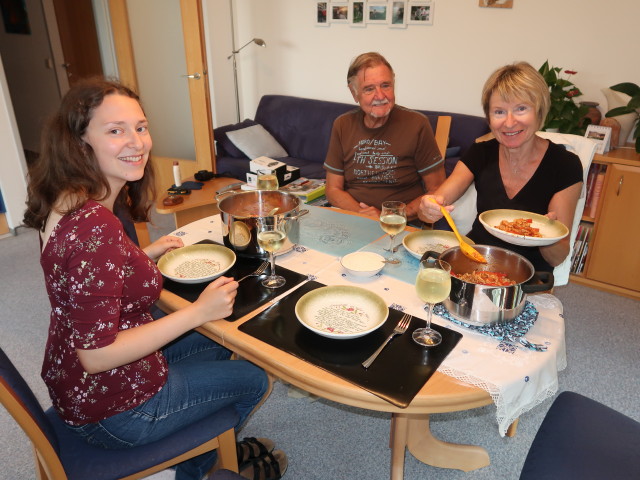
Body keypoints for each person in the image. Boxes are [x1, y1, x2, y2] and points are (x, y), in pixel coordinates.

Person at [23, 78, 287, 480]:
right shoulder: (95, 230)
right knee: (252, 377)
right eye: (115, 130)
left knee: (221, 337)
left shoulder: (69, 199)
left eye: (140, 127)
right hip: (112, 409)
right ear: (81, 142)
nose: (137, 142)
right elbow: (96, 355)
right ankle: (199, 466)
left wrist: (143, 254)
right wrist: (198, 311)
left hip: (76, 387)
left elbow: (82, 279)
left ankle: (212, 442)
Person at [418, 61, 583, 272]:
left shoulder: (564, 164)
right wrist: (428, 208)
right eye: (499, 112)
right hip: (475, 260)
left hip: (526, 275)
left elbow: (557, 258)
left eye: (521, 109)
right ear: (489, 117)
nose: (509, 122)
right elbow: (434, 205)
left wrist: (547, 236)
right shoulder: (481, 152)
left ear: (540, 111)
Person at [323, 52, 445, 221]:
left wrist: (390, 216)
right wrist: (361, 213)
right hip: (353, 217)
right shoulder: (342, 125)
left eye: (385, 85)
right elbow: (332, 189)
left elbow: (437, 189)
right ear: (354, 93)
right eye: (369, 89)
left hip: (400, 223)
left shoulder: (417, 124)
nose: (380, 96)